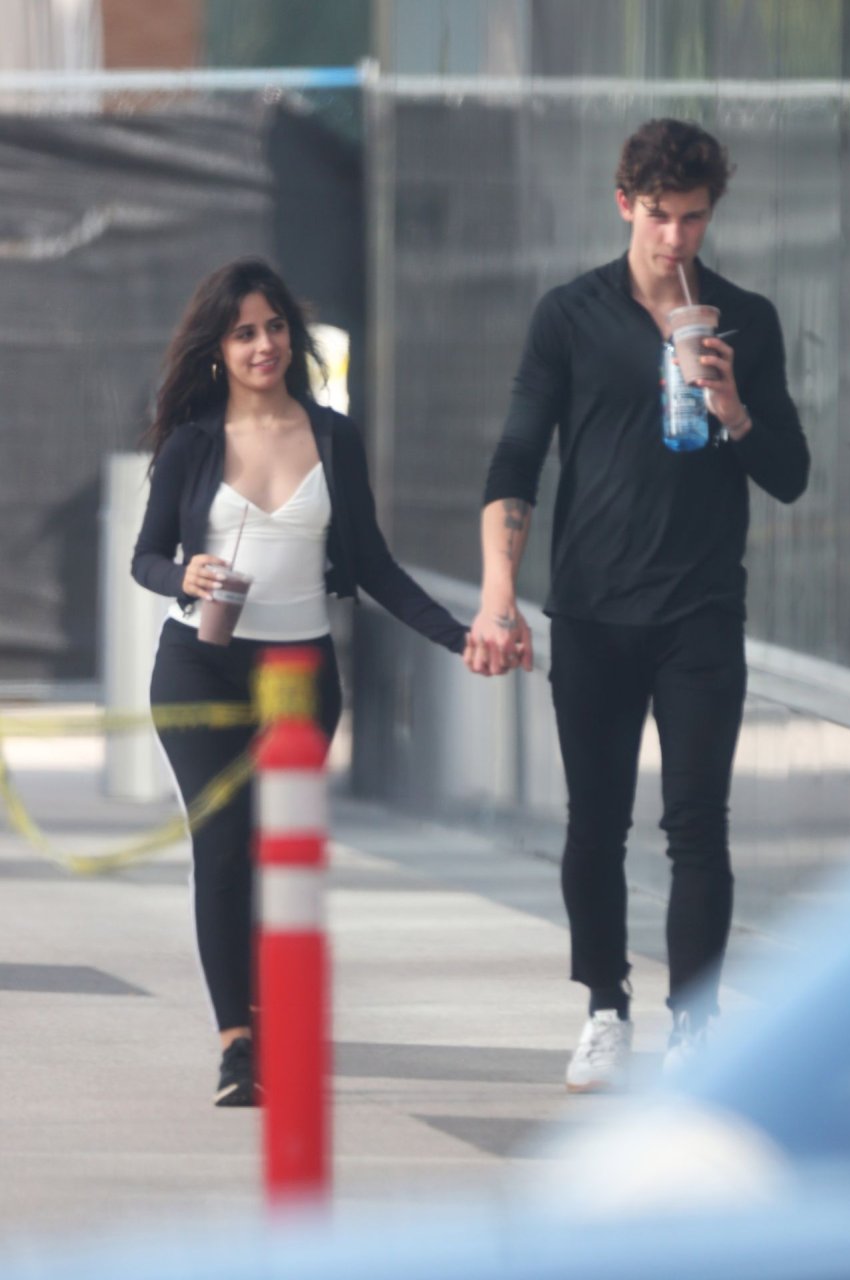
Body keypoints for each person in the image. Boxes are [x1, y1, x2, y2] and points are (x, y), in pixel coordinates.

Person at [465, 118, 810, 1090]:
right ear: (624, 204)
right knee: (595, 822)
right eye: (658, 215)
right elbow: (515, 457)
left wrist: (733, 407)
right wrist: (498, 597)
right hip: (592, 609)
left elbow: (789, 474)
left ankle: (695, 1026)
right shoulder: (569, 315)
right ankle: (604, 1009)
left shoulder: (745, 319)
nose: (673, 237)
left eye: (692, 218)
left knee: (697, 823)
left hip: (699, 608)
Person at [132, 257, 468, 1106]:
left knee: (276, 857)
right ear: (217, 349)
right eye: (243, 332)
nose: (263, 345)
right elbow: (146, 558)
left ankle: (266, 1011)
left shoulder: (333, 438)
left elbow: (375, 566)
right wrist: (184, 577)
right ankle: (237, 1046)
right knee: (222, 848)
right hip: (199, 667)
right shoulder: (192, 443)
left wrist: (459, 638)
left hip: (298, 676)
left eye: (274, 326)